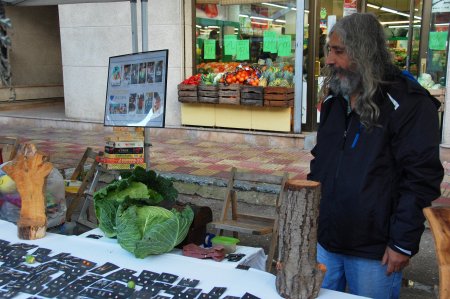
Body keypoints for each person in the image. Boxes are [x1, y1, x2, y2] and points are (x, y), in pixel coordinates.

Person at [307, 13, 443, 299]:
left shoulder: (408, 103)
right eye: (329, 50)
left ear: (364, 51)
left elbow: (420, 179)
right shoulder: (334, 99)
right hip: (326, 241)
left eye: (338, 51)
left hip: (374, 250)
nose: (329, 60)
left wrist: (402, 243)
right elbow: (321, 162)